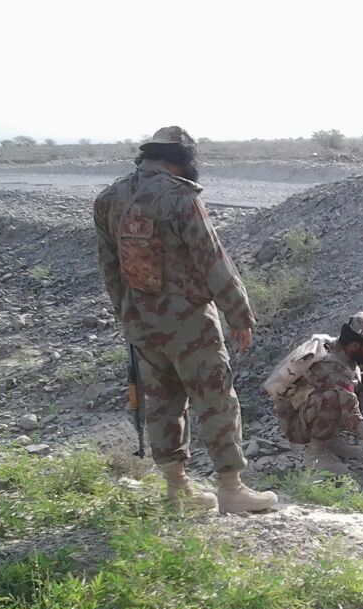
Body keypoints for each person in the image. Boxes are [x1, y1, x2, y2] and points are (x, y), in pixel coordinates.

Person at [93, 125, 276, 514]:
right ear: (180, 161)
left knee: (162, 405)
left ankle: (178, 492)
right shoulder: (180, 197)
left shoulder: (109, 199)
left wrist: (128, 317)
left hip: (142, 325)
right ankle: (231, 489)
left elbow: (110, 270)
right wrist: (239, 315)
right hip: (190, 324)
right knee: (216, 402)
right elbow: (212, 260)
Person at [264, 311, 363, 472]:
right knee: (332, 398)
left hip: (307, 411)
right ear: (354, 346)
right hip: (295, 425)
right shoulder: (332, 370)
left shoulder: (342, 347)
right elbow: (355, 419)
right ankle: (316, 453)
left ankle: (330, 438)